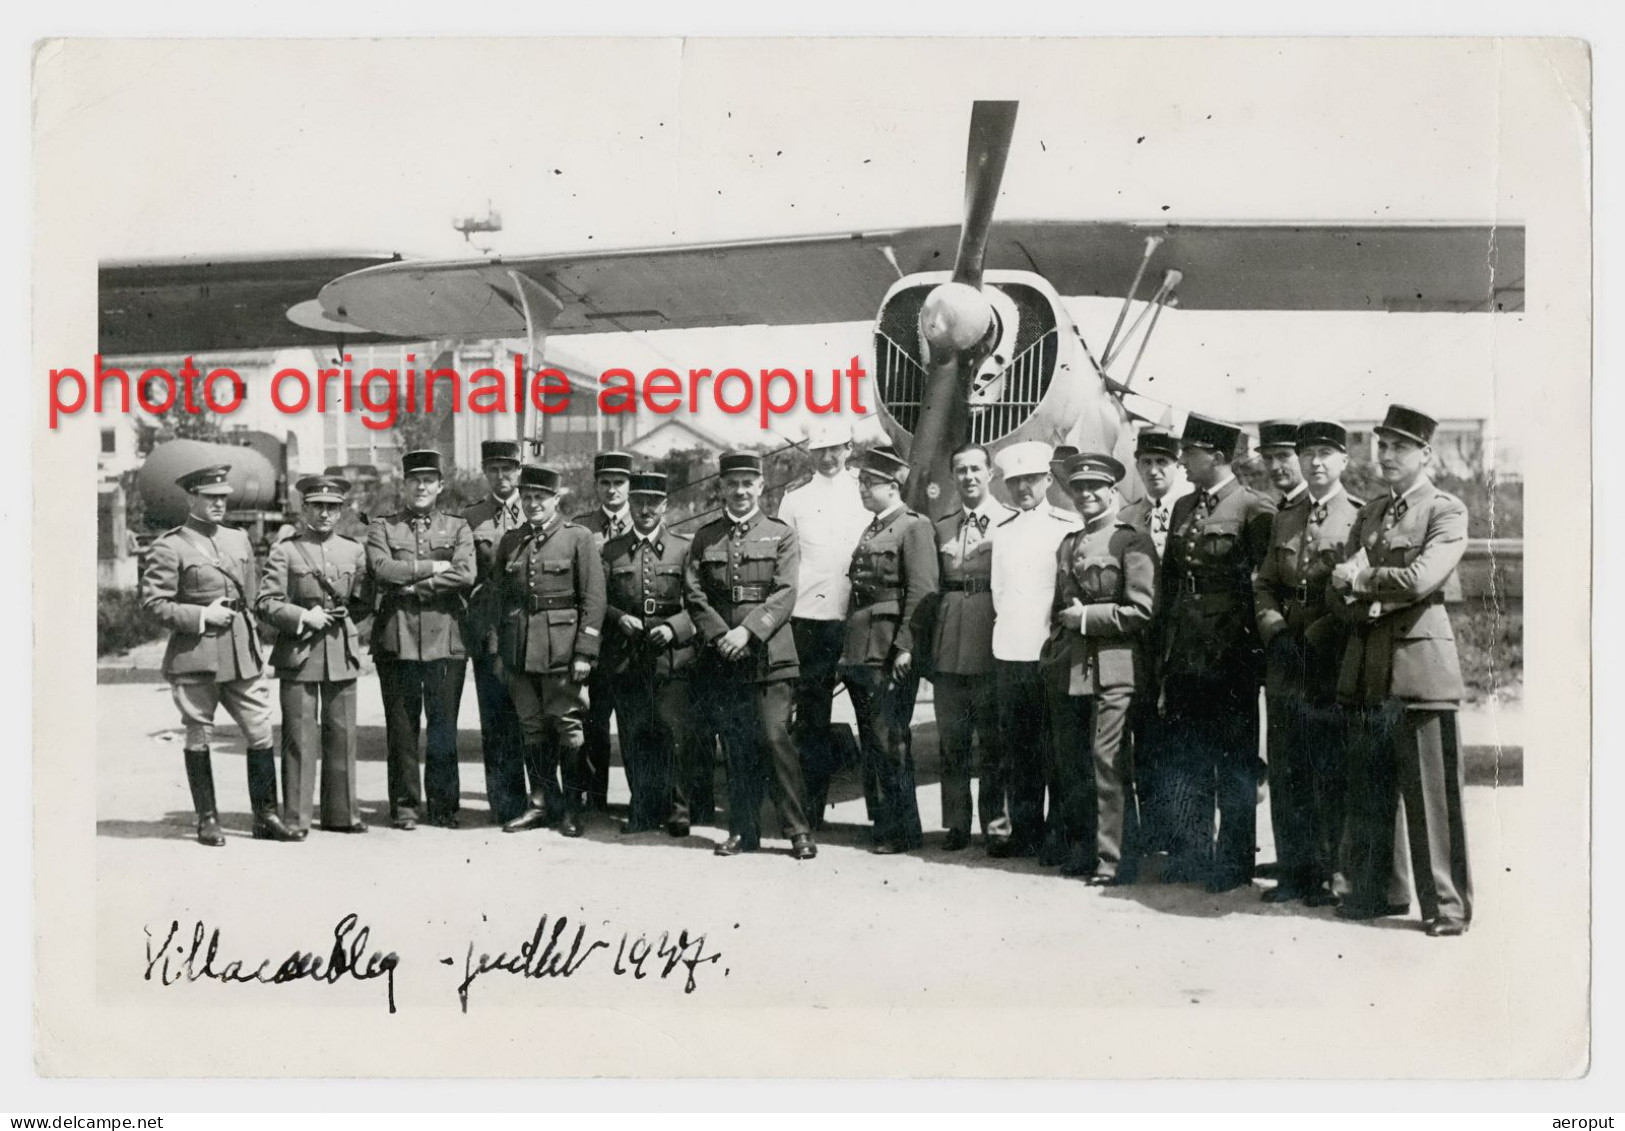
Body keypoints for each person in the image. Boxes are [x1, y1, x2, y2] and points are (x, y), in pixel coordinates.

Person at [1331, 404, 1472, 937]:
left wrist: (1363, 584)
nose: (1386, 456)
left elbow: (1420, 578)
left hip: (1420, 668)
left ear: (1425, 454)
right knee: (1369, 788)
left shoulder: (1445, 510)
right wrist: (1352, 588)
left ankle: (1447, 906)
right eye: (1381, 446)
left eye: (1399, 448)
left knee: (1431, 794)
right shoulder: (1369, 514)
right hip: (1369, 665)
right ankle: (1376, 892)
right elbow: (1335, 585)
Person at [141, 464, 297, 845]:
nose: (218, 504)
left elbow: (252, 593)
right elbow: (152, 604)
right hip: (195, 654)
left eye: (222, 497)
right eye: (210, 498)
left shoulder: (238, 540)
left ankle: (266, 816)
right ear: (191, 498)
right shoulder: (170, 545)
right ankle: (207, 819)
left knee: (260, 731)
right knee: (199, 735)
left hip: (241, 652)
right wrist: (200, 615)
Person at [1159, 413, 1277, 892]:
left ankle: (1233, 862)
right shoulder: (1184, 505)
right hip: (1187, 651)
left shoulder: (1253, 508)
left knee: (1233, 760)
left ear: (1219, 457)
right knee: (1187, 755)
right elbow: (1171, 584)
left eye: (1190, 452)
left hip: (1231, 656)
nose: (1182, 459)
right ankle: (1192, 853)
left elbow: (1264, 587)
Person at [684, 450, 816, 860]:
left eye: (748, 483)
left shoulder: (780, 534)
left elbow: (785, 592)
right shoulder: (706, 537)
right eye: (732, 484)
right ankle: (744, 831)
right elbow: (694, 593)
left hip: (770, 655)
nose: (740, 491)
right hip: (724, 658)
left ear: (761, 487)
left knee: (776, 740)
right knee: (737, 746)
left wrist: (747, 631)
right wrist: (723, 635)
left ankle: (798, 831)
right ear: (721, 488)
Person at [1252, 421, 1363, 905]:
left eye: (1325, 454)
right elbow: (1265, 583)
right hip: (1285, 658)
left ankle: (1330, 872)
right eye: (1308, 454)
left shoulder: (1359, 516)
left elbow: (1354, 589)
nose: (1315, 463)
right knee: (1286, 764)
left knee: (1328, 764)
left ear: (1343, 461)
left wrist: (1320, 633)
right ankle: (1294, 871)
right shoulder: (1286, 517)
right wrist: (1274, 628)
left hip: (1328, 656)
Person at [1041, 453, 1158, 883]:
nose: (1086, 494)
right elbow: (1060, 607)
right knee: (1072, 762)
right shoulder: (1069, 543)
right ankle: (1085, 849)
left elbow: (1142, 610)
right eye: (1079, 488)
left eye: (1095, 487)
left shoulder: (1131, 541)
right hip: (1072, 666)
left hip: (1116, 666)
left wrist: (1087, 619)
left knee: (1107, 760)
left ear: (1112, 491)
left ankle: (1116, 859)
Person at [256, 474, 373, 835]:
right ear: (304, 508)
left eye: (332, 507)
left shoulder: (353, 550)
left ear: (341, 511)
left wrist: (352, 630)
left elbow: (364, 600)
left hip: (340, 652)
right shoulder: (286, 550)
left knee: (343, 735)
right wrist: (303, 615)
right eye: (318, 506)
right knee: (300, 738)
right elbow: (265, 602)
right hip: (299, 652)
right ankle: (297, 818)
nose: (325, 514)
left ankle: (343, 815)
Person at [365, 449, 475, 830]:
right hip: (398, 640)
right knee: (401, 729)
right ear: (404, 484)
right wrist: (430, 568)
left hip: (446, 640)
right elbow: (381, 569)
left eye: (429, 480)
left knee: (444, 728)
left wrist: (413, 587)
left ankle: (444, 806)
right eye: (415, 480)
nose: (422, 486)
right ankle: (406, 807)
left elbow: (465, 574)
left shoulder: (458, 527)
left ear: (441, 486)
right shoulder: (383, 527)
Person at [497, 465, 607, 838]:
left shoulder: (578, 538)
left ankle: (573, 808)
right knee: (531, 726)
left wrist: (585, 652)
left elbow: (594, 598)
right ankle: (542, 802)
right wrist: (501, 652)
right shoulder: (511, 541)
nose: (532, 504)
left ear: (556, 499)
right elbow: (500, 599)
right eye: (526, 497)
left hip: (562, 649)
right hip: (520, 649)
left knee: (568, 726)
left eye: (540, 498)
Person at [839, 447, 939, 854]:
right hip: (862, 648)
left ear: (893, 485)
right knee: (873, 739)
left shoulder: (913, 527)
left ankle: (902, 829)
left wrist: (905, 647)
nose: (863, 489)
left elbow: (922, 591)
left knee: (890, 738)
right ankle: (883, 822)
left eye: (870, 483)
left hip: (889, 649)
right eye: (861, 483)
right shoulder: (873, 528)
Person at [776, 419, 872, 826]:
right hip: (812, 621)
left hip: (859, 618)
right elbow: (785, 558)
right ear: (810, 453)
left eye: (836, 449)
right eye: (820, 451)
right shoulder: (796, 499)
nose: (829, 457)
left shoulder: (866, 490)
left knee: (872, 719)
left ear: (850, 448)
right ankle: (809, 814)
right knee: (812, 721)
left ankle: (882, 821)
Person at [988, 440, 1081, 859]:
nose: (1023, 487)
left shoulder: (1066, 525)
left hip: (1050, 652)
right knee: (1018, 750)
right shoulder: (1002, 532)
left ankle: (1058, 837)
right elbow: (998, 593)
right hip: (1010, 651)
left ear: (1047, 479)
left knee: (1057, 750)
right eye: (1014, 481)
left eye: (1030, 479)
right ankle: (1024, 832)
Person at [601, 471, 700, 836]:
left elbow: (699, 603)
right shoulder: (611, 551)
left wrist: (674, 627)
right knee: (634, 733)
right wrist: (619, 617)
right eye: (639, 501)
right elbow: (598, 601)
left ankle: (678, 808)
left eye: (653, 502)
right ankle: (642, 805)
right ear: (630, 503)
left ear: (665, 506)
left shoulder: (683, 548)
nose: (645, 509)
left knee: (673, 732)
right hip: (627, 655)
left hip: (672, 655)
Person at [930, 442, 1015, 850]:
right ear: (953, 476)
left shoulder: (1010, 522)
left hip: (990, 640)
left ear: (990, 474)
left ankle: (996, 827)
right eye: (960, 470)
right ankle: (957, 824)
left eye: (975, 469)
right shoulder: (942, 526)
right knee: (952, 740)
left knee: (993, 741)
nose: (968, 477)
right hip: (949, 644)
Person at [461, 440, 528, 824]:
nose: (503, 477)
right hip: (489, 631)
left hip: (529, 629)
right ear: (486, 473)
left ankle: (539, 799)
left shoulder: (538, 508)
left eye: (509, 469)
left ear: (519, 472)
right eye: (495, 470)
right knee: (495, 717)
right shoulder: (472, 517)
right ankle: (504, 803)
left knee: (532, 716)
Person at [575, 451, 635, 813]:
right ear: (596, 486)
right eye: (605, 483)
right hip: (597, 640)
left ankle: (640, 800)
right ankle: (596, 801)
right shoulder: (582, 528)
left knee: (633, 725)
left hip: (632, 644)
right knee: (593, 723)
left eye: (619, 483)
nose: (612, 490)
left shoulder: (644, 522)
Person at [1257, 420, 1308, 509]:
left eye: (1283, 456)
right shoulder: (1282, 505)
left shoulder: (1316, 505)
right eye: (1267, 458)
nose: (1274, 467)